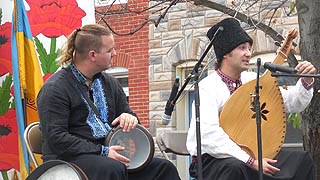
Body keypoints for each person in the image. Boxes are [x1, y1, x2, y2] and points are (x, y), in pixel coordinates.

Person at [37, 24, 181, 180]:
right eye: (109, 50)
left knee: (163, 168)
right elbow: (57, 138)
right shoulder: (55, 88)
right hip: (68, 160)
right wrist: (103, 151)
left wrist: (129, 118)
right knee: (113, 168)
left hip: (108, 157)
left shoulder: (109, 83)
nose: (115, 53)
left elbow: (130, 115)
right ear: (93, 55)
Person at [186, 18, 316, 180]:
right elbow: (208, 134)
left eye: (249, 48)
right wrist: (250, 161)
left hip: (254, 151)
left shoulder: (252, 80)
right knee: (237, 168)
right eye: (242, 48)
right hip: (214, 159)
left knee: (301, 161)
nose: (248, 53)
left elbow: (290, 103)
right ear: (226, 53)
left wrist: (306, 81)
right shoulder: (207, 87)